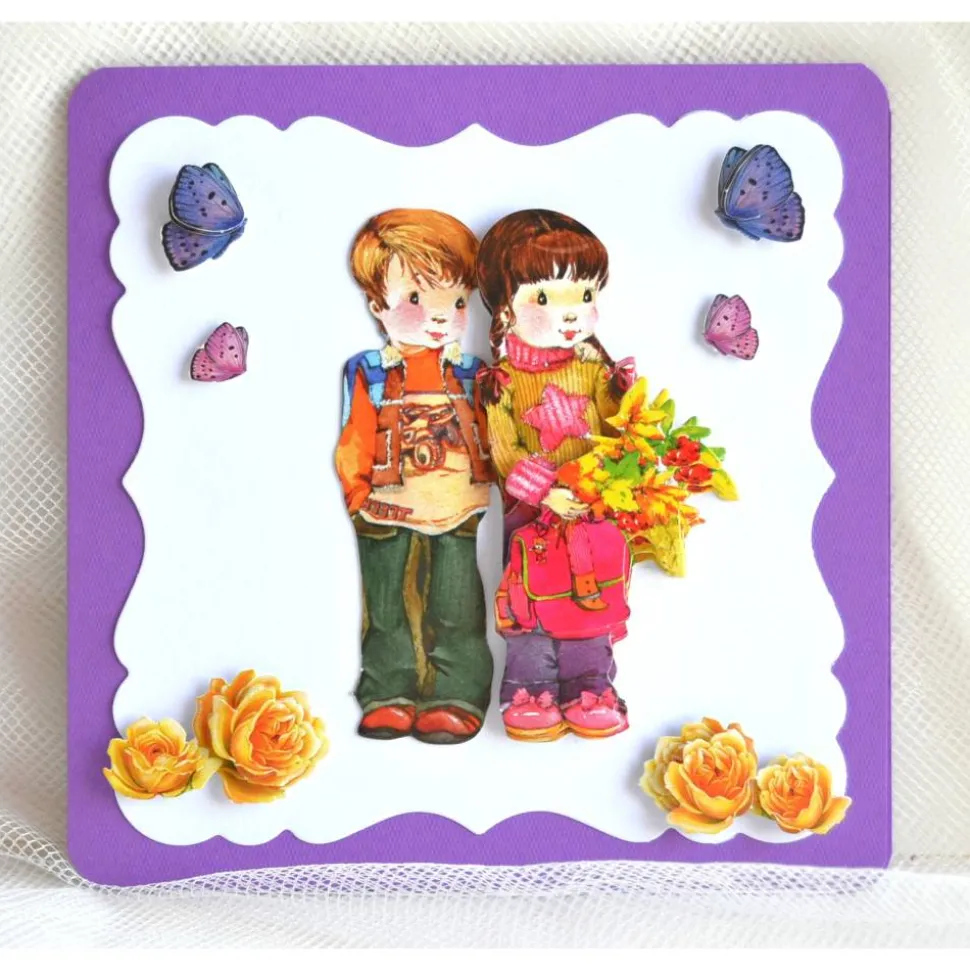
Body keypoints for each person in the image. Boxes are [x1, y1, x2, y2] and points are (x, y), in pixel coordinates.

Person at [336, 209, 494, 745]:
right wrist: (357, 493)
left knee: (455, 603)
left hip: (457, 505)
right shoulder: (370, 370)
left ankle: (456, 694)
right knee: (385, 606)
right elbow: (355, 434)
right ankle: (387, 691)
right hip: (383, 504)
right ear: (377, 305)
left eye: (457, 302)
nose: (440, 317)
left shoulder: (472, 373)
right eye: (415, 299)